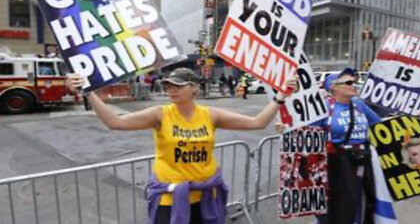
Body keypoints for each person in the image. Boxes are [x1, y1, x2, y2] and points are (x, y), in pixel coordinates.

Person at [66, 68, 295, 224]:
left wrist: (280, 97)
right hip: (171, 199)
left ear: (194, 88)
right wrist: (89, 93)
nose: (171, 89)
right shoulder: (160, 114)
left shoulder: (210, 115)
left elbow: (258, 122)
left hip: (206, 197)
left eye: (178, 85)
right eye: (167, 85)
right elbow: (115, 122)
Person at [277, 68, 387, 224]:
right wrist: (286, 127)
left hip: (362, 163)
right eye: (349, 82)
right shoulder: (323, 107)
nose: (354, 85)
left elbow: (381, 125)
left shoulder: (359, 105)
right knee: (337, 208)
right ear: (333, 87)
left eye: (354, 82)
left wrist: (414, 118)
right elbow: (304, 131)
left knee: (361, 203)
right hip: (335, 166)